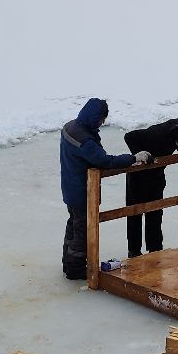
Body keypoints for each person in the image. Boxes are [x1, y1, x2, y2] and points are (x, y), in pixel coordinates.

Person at [59, 98, 153, 280]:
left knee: (73, 224)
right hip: (82, 192)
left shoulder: (70, 127)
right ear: (96, 118)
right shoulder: (85, 141)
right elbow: (105, 161)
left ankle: (68, 262)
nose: (102, 123)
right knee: (82, 230)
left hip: (70, 187)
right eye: (102, 120)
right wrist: (134, 158)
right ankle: (75, 268)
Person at [123, 117, 178, 257]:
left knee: (155, 213)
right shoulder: (156, 136)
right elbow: (129, 136)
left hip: (156, 176)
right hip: (137, 177)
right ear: (176, 142)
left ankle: (155, 249)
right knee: (135, 214)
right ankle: (134, 251)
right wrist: (141, 155)